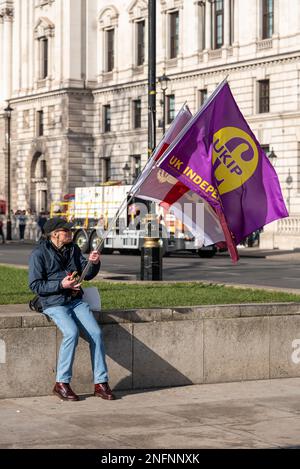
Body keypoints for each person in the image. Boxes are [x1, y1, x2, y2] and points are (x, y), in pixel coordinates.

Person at [28, 217, 115, 401]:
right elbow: (35, 285)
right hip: (53, 302)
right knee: (71, 333)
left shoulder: (73, 249)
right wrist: (61, 285)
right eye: (66, 231)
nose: (70, 233)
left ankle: (100, 383)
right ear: (55, 234)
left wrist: (94, 262)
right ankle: (61, 383)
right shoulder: (39, 254)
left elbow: (87, 274)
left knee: (96, 334)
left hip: (75, 299)